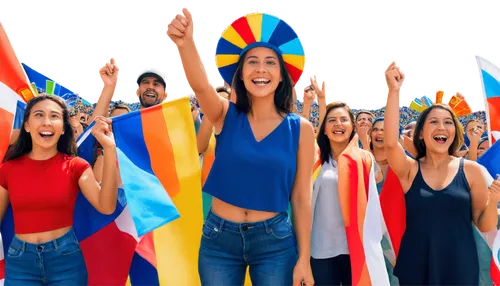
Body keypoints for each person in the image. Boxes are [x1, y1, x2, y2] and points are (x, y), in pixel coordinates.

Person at [166, 8, 315, 286]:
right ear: (241, 74)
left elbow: (302, 199)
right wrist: (185, 43)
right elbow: (200, 85)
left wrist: (304, 258)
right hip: (218, 239)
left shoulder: (301, 129)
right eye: (252, 62)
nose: (261, 69)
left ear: (282, 76)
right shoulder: (225, 115)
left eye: (271, 62)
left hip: (275, 242)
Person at [383, 59, 500, 285]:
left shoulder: (472, 171)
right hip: (415, 266)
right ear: (420, 133)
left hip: (460, 267)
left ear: (454, 132)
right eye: (433, 122)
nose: (441, 127)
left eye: (448, 122)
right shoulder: (410, 170)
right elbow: (390, 145)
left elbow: (483, 225)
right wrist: (394, 91)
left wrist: (493, 200)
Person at [0, 94, 118, 285]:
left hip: (66, 261)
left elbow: (107, 207)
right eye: (39, 115)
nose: (47, 121)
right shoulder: (7, 169)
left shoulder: (76, 166)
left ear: (63, 128)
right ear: (27, 125)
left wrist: (110, 148)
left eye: (54, 116)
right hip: (19, 263)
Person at [311, 102, 354, 285]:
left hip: (354, 248)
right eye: (332, 121)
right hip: (321, 248)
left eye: (344, 120)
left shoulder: (364, 160)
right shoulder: (315, 160)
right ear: (325, 129)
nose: (338, 124)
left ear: (352, 127)